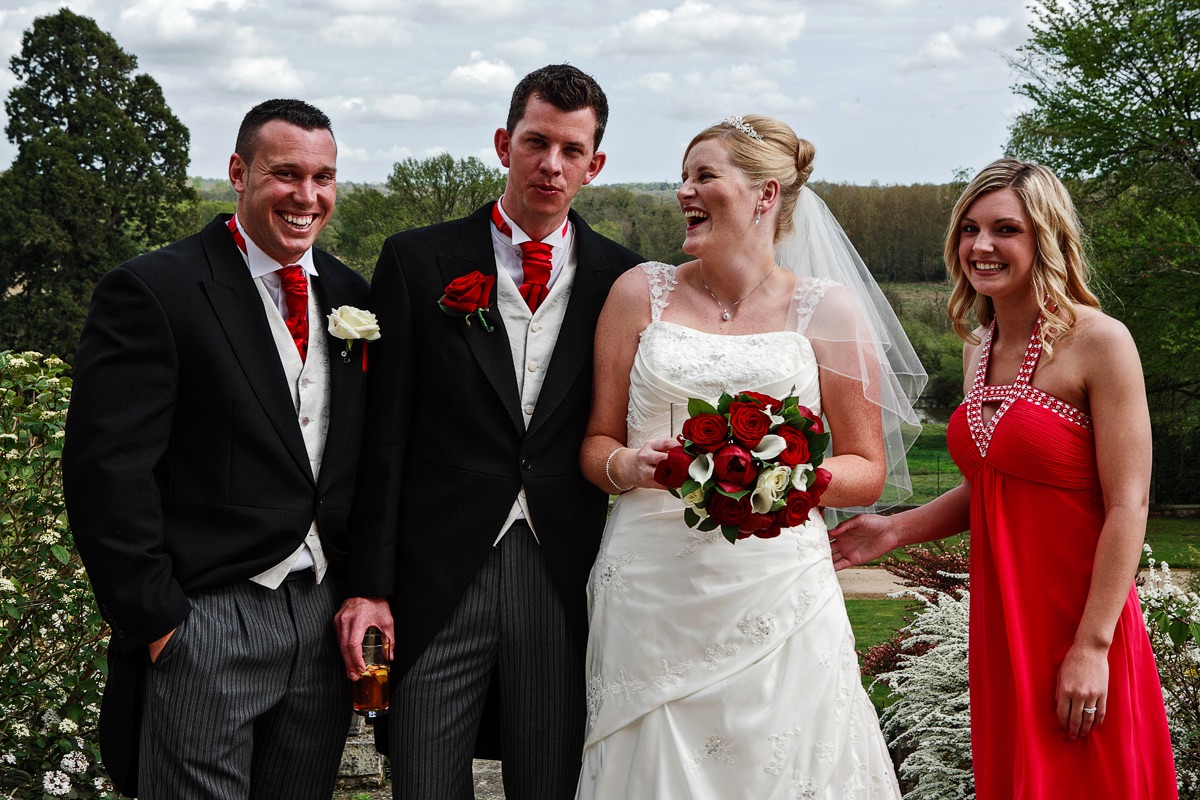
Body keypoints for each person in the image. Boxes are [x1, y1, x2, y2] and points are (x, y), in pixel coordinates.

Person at [574, 115, 925, 798]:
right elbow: (596, 444)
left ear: (766, 194)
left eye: (704, 176)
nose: (684, 191)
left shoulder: (829, 310)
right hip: (651, 586)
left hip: (777, 584)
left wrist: (784, 478)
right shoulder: (638, 293)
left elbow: (866, 469)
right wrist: (629, 467)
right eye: (682, 176)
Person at [333, 64, 643, 799]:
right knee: (422, 779)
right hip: (436, 573)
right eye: (536, 142)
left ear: (595, 165)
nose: (551, 164)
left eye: (571, 150)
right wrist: (371, 585)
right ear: (505, 144)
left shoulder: (625, 280)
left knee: (553, 782)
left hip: (562, 571)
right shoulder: (416, 261)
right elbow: (384, 438)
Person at [830, 158, 1178, 798]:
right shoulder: (977, 347)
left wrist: (1092, 646)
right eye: (969, 229)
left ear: (1046, 238)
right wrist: (895, 530)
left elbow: (1129, 504)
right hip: (1002, 617)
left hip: (1079, 617)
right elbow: (993, 485)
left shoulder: (1101, 342)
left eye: (1005, 229)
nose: (981, 246)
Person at [62, 99, 371, 799]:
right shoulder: (155, 290)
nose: (307, 196)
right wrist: (161, 622)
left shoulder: (351, 295)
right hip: (206, 616)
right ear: (238, 172)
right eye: (285, 173)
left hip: (320, 616)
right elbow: (106, 469)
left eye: (323, 177)